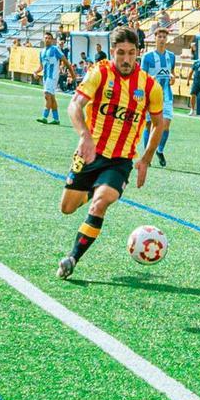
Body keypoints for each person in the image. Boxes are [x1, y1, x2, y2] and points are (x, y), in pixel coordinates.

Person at [56, 27, 163, 281]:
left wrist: (146, 159)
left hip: (120, 160)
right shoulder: (99, 74)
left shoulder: (149, 86)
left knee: (100, 203)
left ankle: (72, 258)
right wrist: (84, 136)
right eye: (121, 53)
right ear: (113, 51)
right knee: (67, 208)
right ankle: (94, 187)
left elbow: (158, 123)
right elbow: (75, 105)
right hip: (91, 154)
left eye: (132, 53)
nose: (127, 60)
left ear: (138, 53)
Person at [140, 25, 176, 166]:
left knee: (165, 125)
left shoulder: (171, 56)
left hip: (166, 95)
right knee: (149, 124)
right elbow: (142, 77)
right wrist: (151, 80)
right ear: (155, 38)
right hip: (151, 96)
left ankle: (159, 150)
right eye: (159, 37)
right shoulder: (147, 57)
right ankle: (146, 154)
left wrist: (172, 77)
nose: (162, 39)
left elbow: (172, 72)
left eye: (164, 37)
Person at [36, 30, 67, 125]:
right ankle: (56, 119)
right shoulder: (42, 52)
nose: (47, 39)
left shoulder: (55, 49)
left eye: (49, 38)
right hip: (46, 77)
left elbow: (64, 60)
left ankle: (44, 116)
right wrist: (35, 72)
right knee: (52, 98)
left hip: (52, 76)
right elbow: (41, 66)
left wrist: (72, 74)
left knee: (47, 96)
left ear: (52, 40)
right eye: (46, 38)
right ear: (43, 39)